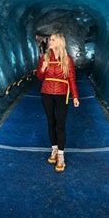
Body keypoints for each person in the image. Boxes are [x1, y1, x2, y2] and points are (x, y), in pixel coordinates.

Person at [36, 33, 80, 172]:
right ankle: (54, 149)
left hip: (62, 94)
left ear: (59, 42)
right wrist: (43, 68)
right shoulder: (45, 57)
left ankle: (61, 155)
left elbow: (71, 79)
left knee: (60, 124)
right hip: (46, 93)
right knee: (51, 122)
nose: (50, 41)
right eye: (50, 39)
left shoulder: (67, 59)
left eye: (53, 39)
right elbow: (39, 77)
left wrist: (75, 97)